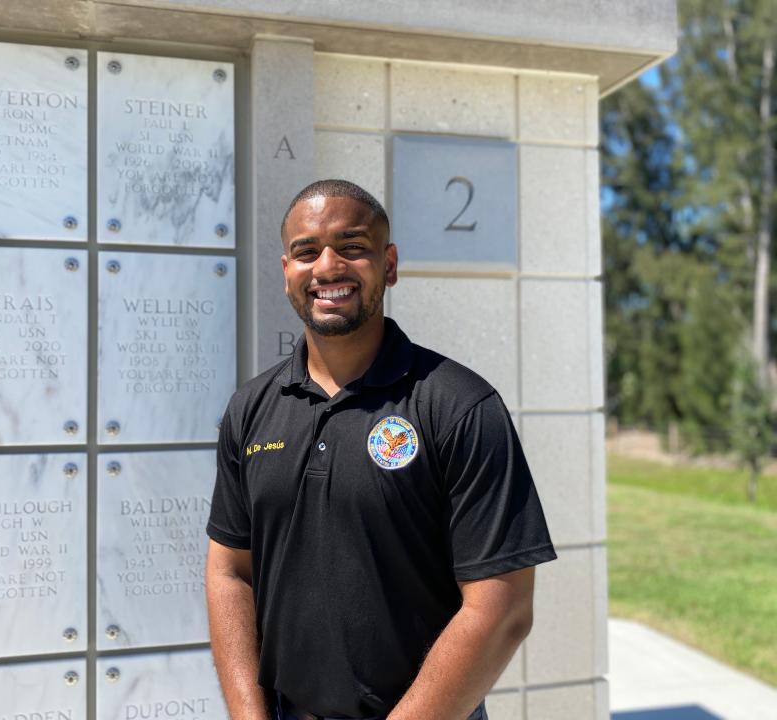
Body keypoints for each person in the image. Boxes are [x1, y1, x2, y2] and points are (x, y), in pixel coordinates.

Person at [205, 179, 557, 720]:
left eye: (352, 247)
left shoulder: (459, 406)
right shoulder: (251, 409)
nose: (327, 268)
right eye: (307, 252)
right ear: (286, 274)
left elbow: (502, 606)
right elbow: (230, 573)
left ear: (388, 264)